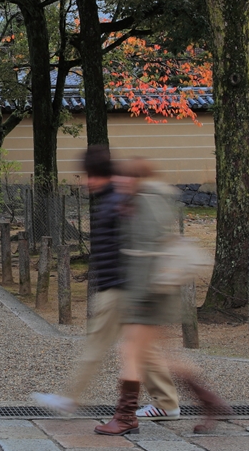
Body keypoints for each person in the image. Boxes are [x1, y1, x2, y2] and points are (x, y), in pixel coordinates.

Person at [33, 145, 180, 421]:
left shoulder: (117, 201)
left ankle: (70, 399)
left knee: (97, 344)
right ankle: (167, 402)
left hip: (118, 287)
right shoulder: (117, 199)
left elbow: (132, 245)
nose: (86, 182)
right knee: (144, 349)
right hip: (126, 286)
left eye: (89, 176)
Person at [94, 158, 231, 436]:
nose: (118, 182)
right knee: (163, 356)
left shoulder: (145, 204)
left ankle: (125, 417)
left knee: (131, 352)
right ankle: (209, 401)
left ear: (136, 179)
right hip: (149, 292)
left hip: (148, 294)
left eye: (123, 177)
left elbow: (146, 255)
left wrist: (137, 300)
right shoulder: (144, 200)